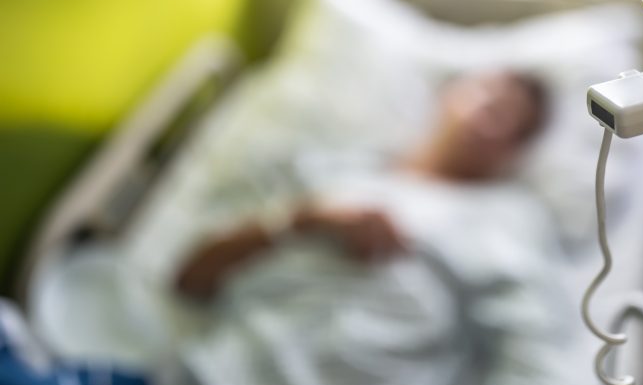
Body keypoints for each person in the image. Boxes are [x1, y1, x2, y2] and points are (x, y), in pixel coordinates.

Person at [173, 69, 549, 301]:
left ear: (514, 155)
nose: (491, 121)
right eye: (489, 97)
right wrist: (307, 220)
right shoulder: (336, 170)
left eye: (515, 126)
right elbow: (191, 275)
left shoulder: (501, 222)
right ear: (446, 93)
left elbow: (529, 361)